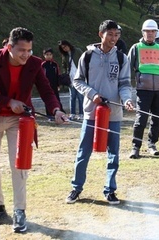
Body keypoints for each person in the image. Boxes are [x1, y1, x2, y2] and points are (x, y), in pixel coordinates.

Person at [0, 27, 66, 233]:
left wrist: (56, 109)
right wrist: (9, 102)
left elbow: (46, 89)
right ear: (9, 47)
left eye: (29, 50)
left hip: (20, 121)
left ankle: (20, 210)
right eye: (21, 50)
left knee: (19, 166)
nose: (26, 55)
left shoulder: (34, 64)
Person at [65, 20, 134, 205]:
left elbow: (125, 84)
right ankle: (76, 188)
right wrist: (93, 94)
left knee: (114, 154)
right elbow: (78, 81)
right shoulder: (87, 56)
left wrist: (127, 99)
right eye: (110, 34)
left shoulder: (122, 58)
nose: (114, 38)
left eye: (117, 35)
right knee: (83, 152)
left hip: (114, 114)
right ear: (100, 34)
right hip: (91, 113)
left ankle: (110, 190)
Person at [128, 19, 159, 158]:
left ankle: (152, 144)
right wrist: (126, 86)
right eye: (148, 31)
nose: (150, 33)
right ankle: (136, 147)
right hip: (143, 89)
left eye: (153, 31)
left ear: (156, 33)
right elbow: (127, 67)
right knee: (141, 119)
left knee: (157, 119)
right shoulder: (136, 47)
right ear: (143, 32)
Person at [58, 40, 84, 120]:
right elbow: (64, 66)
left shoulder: (77, 51)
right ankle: (72, 113)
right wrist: (66, 74)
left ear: (68, 45)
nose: (65, 48)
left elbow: (84, 60)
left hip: (79, 76)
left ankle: (81, 113)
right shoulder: (64, 55)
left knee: (80, 97)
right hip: (70, 77)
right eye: (63, 48)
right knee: (72, 96)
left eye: (65, 46)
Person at [41, 47, 65, 116]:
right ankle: (49, 115)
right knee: (48, 100)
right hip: (47, 85)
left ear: (52, 55)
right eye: (47, 54)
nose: (48, 56)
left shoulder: (55, 64)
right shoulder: (43, 65)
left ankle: (60, 112)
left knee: (57, 99)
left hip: (54, 85)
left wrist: (58, 85)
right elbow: (41, 76)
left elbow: (58, 74)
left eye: (50, 54)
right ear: (44, 55)